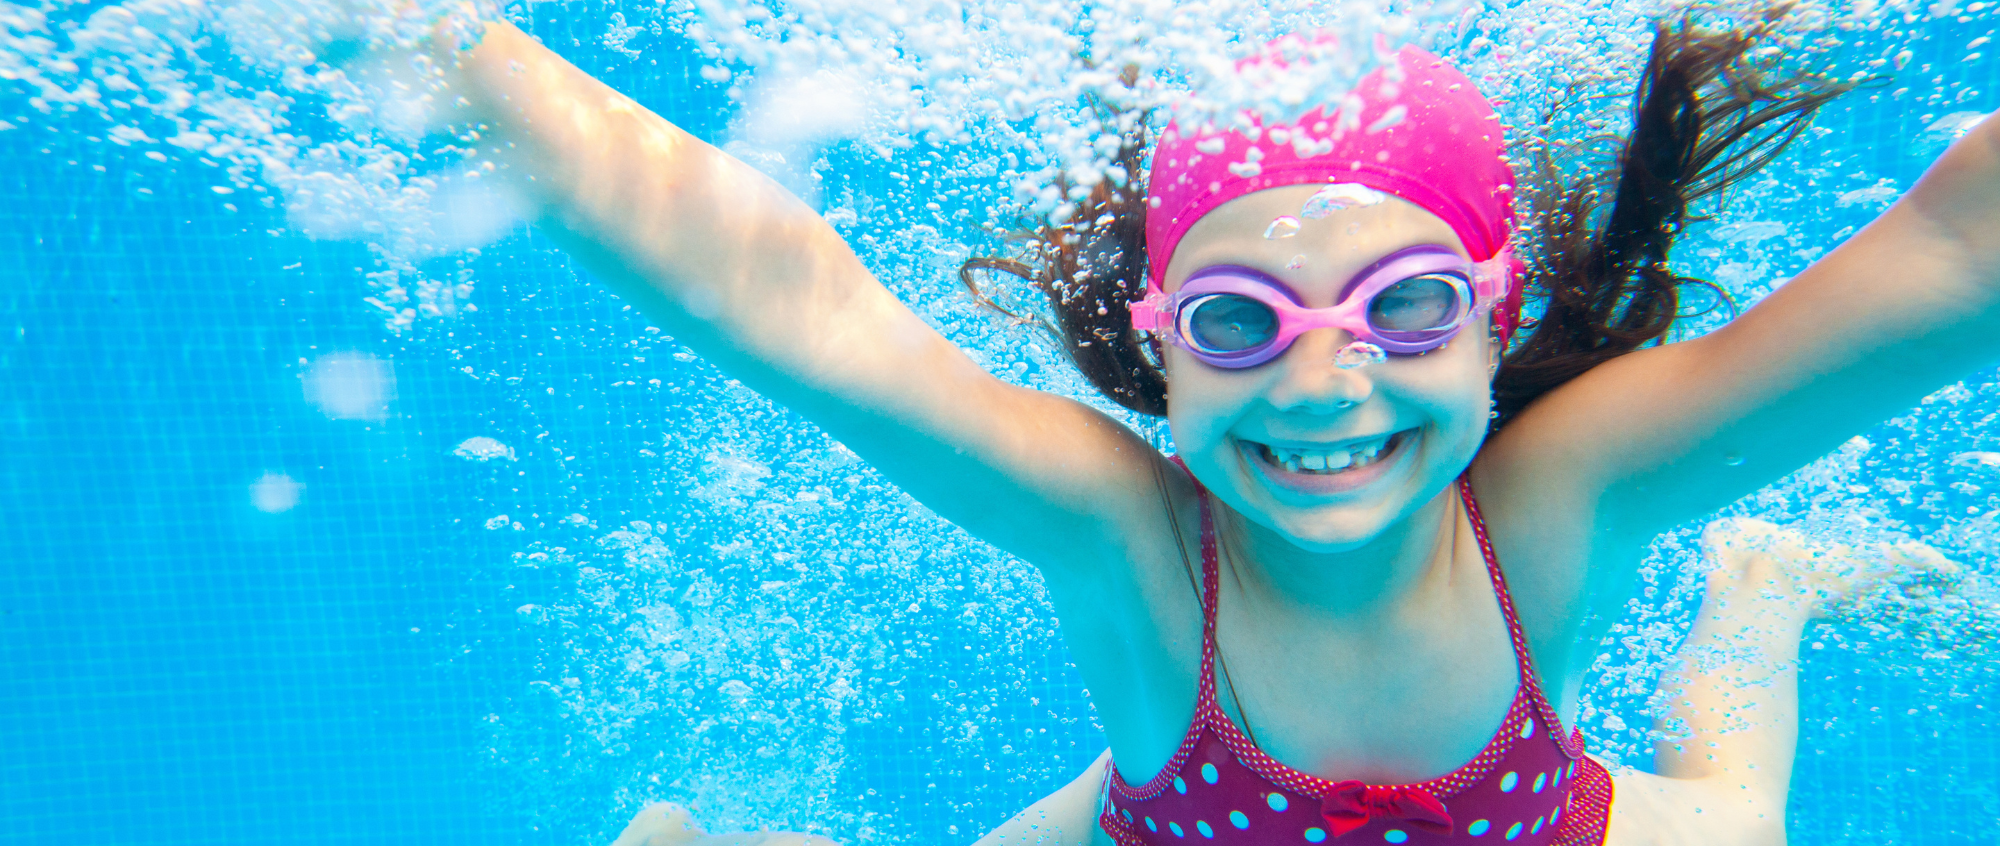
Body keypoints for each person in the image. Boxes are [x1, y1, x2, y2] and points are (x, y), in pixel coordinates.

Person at [405, 7, 2000, 844]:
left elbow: (1941, 259)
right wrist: (437, 46)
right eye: (1240, 323)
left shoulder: (1561, 497)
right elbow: (804, 315)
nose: (1322, 385)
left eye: (1406, 308)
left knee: (1749, 819)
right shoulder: (1139, 542)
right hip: (1175, 829)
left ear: (1496, 315)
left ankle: (1767, 578)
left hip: (1549, 829)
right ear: (1158, 347)